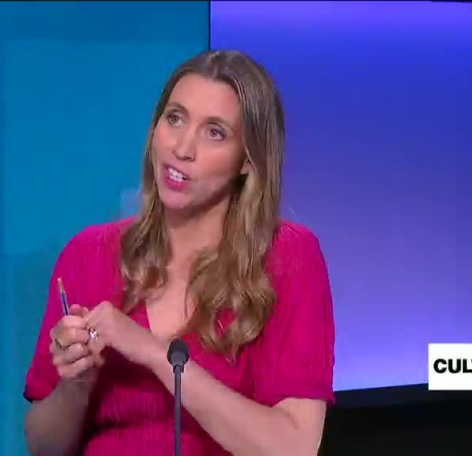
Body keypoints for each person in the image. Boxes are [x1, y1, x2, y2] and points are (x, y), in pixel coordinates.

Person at [23, 50, 335, 456]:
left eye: (214, 132)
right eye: (175, 118)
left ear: (247, 160)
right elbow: (44, 446)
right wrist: (76, 383)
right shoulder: (88, 255)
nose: (183, 147)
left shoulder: (287, 258)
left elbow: (293, 447)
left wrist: (155, 354)